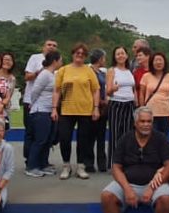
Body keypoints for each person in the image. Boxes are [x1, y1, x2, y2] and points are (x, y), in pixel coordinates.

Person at [100, 107, 169, 213]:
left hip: (155, 183)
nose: (146, 124)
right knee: (106, 196)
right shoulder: (125, 139)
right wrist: (127, 189)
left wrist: (152, 188)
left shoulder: (160, 139)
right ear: (135, 123)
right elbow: (116, 167)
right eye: (142, 121)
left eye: (149, 121)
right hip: (128, 182)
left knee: (166, 199)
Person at [52, 43, 100, 180]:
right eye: (77, 53)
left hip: (85, 110)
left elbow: (96, 90)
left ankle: (80, 166)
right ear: (72, 54)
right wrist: (54, 108)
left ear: (85, 56)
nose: (79, 55)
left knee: (83, 140)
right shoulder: (64, 70)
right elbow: (56, 91)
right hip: (66, 109)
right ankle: (66, 165)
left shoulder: (89, 70)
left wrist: (96, 108)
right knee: (65, 138)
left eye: (82, 54)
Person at [23, 51, 61, 177]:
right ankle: (32, 166)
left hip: (50, 110)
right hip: (41, 110)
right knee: (40, 140)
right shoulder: (44, 74)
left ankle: (43, 164)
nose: (61, 62)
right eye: (60, 60)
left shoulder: (53, 74)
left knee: (48, 140)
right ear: (55, 61)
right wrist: (34, 104)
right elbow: (35, 91)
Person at [22, 39, 58, 155]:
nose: (51, 47)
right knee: (31, 132)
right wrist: (41, 72)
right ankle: (30, 161)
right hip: (31, 101)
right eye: (49, 45)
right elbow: (27, 77)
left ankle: (43, 161)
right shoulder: (35, 58)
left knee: (46, 134)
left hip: (47, 104)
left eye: (54, 45)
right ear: (43, 47)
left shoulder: (57, 62)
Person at [105, 46, 138, 171]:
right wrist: (113, 88)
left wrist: (136, 102)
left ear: (126, 55)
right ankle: (114, 163)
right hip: (116, 104)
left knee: (128, 134)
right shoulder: (112, 71)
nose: (120, 56)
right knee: (115, 134)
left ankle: (126, 162)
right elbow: (108, 91)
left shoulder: (130, 71)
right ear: (114, 56)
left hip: (129, 104)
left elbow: (133, 89)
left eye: (122, 53)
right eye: (118, 54)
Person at [138, 51, 169, 134]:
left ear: (164, 62)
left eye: (161, 60)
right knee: (150, 137)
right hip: (150, 112)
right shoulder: (146, 76)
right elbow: (141, 94)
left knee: (164, 138)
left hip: (166, 112)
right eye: (156, 60)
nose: (158, 62)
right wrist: (142, 109)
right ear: (152, 62)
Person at [89, 48, 111, 172]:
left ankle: (102, 162)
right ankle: (89, 163)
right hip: (92, 106)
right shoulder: (89, 72)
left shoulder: (102, 73)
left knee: (101, 136)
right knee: (90, 136)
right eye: (104, 58)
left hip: (103, 107)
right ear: (100, 59)